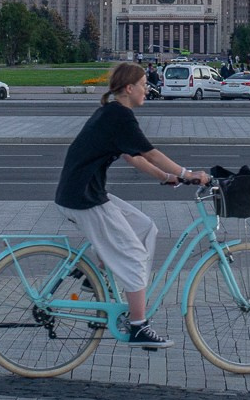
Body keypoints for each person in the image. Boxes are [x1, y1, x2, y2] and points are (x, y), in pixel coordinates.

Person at [55, 62, 204, 350]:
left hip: (85, 191)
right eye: (144, 83)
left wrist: (165, 178)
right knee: (134, 257)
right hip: (83, 197)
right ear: (129, 88)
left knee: (145, 228)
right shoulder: (120, 116)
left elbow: (133, 157)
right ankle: (138, 326)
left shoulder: (112, 113)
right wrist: (188, 174)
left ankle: (97, 275)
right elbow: (150, 152)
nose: (148, 88)